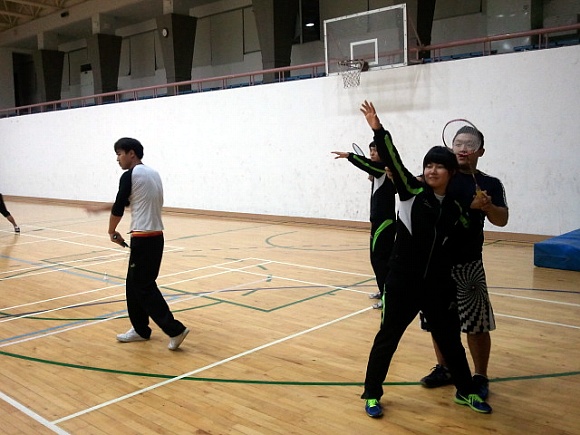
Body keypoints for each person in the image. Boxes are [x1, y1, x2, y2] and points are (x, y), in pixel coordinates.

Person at [358, 100, 492, 418]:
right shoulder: (411, 193)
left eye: (439, 166)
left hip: (437, 286)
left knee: (450, 342)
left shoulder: (455, 207)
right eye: (428, 165)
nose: (432, 170)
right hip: (402, 283)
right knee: (387, 339)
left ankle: (466, 391)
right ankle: (372, 394)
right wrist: (378, 130)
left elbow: (467, 234)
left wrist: (479, 207)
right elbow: (393, 158)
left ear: (450, 172)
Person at [419, 125, 509, 399]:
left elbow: (502, 220)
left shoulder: (491, 184)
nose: (463, 148)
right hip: (436, 264)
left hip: (469, 264)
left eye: (470, 144)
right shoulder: (440, 177)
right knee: (438, 322)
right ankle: (445, 368)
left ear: (480, 151)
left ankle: (480, 375)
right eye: (458, 143)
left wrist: (488, 207)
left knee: (477, 324)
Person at [86, 137, 189, 351]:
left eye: (119, 154)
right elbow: (127, 200)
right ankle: (141, 329)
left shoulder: (130, 175)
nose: (117, 159)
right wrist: (99, 208)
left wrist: (111, 231)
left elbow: (119, 208)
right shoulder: (152, 173)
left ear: (131, 153)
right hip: (156, 237)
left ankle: (174, 330)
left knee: (143, 286)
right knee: (134, 284)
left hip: (143, 239)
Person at [332, 143, 396, 309]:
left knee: (380, 260)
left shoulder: (383, 168)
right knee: (377, 260)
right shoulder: (382, 172)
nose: (372, 153)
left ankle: (388, 297)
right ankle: (384, 291)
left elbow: (366, 164)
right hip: (378, 222)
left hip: (384, 223)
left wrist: (349, 156)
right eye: (371, 150)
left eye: (376, 150)